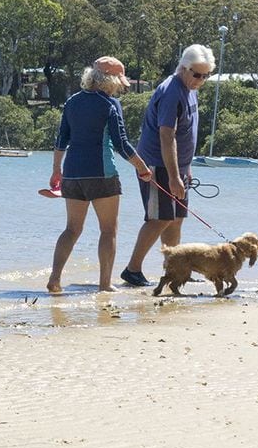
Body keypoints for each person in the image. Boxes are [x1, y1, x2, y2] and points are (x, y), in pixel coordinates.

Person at [47, 57, 152, 293]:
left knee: (72, 229)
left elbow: (61, 139)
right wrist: (143, 168)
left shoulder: (72, 102)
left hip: (72, 174)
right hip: (102, 174)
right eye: (119, 81)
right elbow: (122, 144)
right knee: (108, 230)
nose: (120, 86)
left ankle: (55, 279)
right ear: (110, 80)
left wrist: (56, 171)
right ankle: (105, 284)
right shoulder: (110, 105)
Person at [120, 43, 216, 287]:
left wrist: (186, 168)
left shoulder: (189, 89)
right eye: (197, 74)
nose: (201, 80)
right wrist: (174, 176)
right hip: (156, 165)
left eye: (206, 76)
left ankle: (176, 270)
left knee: (176, 218)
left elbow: (187, 134)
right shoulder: (172, 91)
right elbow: (167, 136)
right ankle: (132, 270)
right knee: (159, 218)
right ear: (184, 68)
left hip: (177, 167)